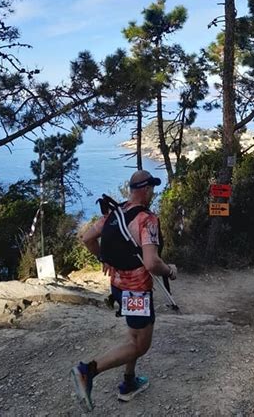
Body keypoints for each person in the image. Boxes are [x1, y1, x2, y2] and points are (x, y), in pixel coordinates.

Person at [71, 170, 177, 412]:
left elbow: (87, 238)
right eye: (152, 188)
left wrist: (104, 258)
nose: (153, 193)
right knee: (140, 345)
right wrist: (170, 270)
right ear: (146, 189)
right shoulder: (147, 220)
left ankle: (129, 382)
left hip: (118, 288)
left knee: (134, 337)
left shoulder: (114, 213)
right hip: (137, 291)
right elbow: (151, 263)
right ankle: (87, 370)